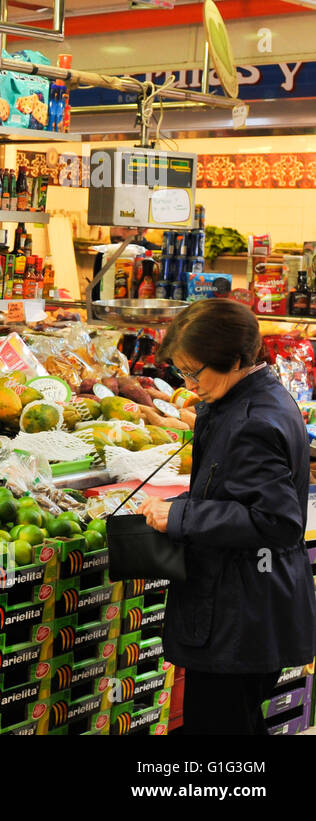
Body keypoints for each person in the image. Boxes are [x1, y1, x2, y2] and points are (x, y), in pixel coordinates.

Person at [135, 298, 316, 735]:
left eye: (196, 372)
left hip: (239, 613)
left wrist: (181, 517)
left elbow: (276, 522)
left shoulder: (253, 419)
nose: (190, 383)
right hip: (243, 604)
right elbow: (238, 494)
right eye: (182, 372)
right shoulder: (247, 399)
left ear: (236, 360)